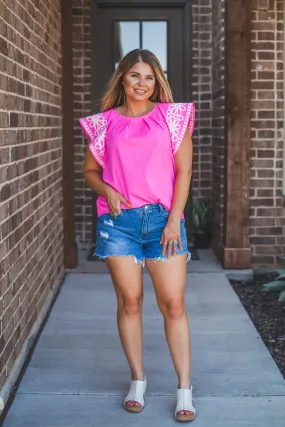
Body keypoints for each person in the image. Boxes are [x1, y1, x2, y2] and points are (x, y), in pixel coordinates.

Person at [79, 49, 196, 422]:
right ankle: (138, 380)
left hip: (164, 221)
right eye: (134, 76)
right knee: (129, 303)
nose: (142, 83)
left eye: (148, 77)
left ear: (157, 80)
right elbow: (90, 171)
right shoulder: (104, 124)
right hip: (119, 225)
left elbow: (184, 173)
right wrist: (106, 190)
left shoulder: (173, 118)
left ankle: (184, 390)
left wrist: (175, 219)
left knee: (173, 305)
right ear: (122, 81)